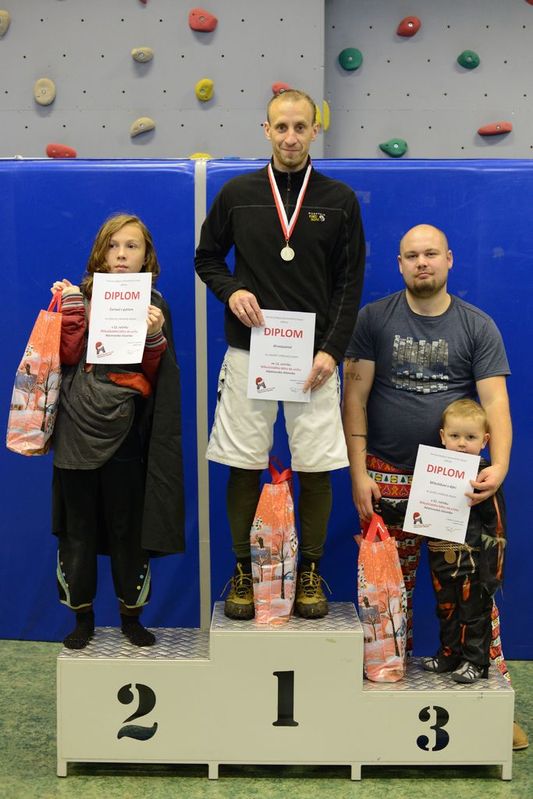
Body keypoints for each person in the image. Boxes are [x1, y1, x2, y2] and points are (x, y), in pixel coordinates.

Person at [343, 223, 527, 747]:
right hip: (386, 477)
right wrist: (358, 472)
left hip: (455, 485)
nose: (421, 262)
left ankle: (492, 704)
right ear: (399, 264)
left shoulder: (477, 325)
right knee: (386, 595)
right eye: (411, 255)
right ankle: (378, 700)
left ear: (449, 259)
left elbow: (496, 403)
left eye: (430, 254)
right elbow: (353, 397)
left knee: (471, 594)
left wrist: (500, 465)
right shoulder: (374, 319)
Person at [195, 89, 365, 620]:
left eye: (300, 127)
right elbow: (206, 258)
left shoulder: (339, 199)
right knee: (243, 465)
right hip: (252, 352)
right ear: (266, 130)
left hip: (314, 359)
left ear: (315, 130)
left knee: (315, 467)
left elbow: (349, 284)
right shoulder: (237, 193)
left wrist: (332, 351)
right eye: (281, 127)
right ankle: (245, 572)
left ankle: (309, 573)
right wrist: (231, 291)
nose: (291, 137)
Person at [51, 213, 184, 649]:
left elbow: (157, 374)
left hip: (124, 430)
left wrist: (154, 335)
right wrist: (71, 309)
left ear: (147, 256)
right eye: (113, 245)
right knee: (78, 529)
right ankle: (82, 619)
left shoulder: (154, 305)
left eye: (131, 246)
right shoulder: (77, 296)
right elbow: (66, 356)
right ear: (100, 252)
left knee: (127, 527)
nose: (122, 254)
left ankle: (131, 617)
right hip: (75, 428)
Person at [422, 399, 506, 684]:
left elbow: (496, 524)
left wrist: (493, 568)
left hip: (473, 562)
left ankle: (475, 661)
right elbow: (420, 509)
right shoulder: (432, 473)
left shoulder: (485, 478)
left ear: (484, 441)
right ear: (443, 436)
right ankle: (449, 654)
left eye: (470, 437)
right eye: (455, 436)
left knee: (474, 615)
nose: (461, 443)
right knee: (446, 611)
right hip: (440, 558)